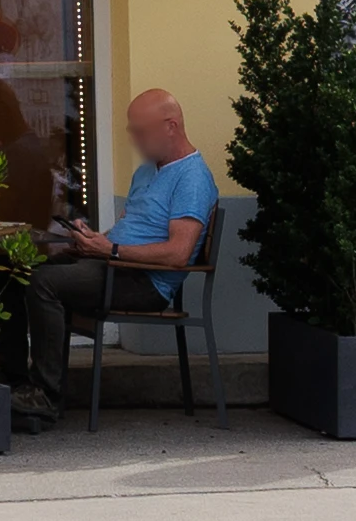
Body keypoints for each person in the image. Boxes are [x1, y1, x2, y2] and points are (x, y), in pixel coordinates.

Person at [14, 84, 217, 426]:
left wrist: (110, 249)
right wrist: (93, 240)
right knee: (18, 271)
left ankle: (45, 395)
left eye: (141, 132)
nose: (134, 140)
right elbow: (130, 229)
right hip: (115, 263)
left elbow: (178, 254)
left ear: (171, 126)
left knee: (43, 282)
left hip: (143, 280)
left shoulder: (192, 178)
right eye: (131, 131)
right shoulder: (147, 170)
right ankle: (15, 377)